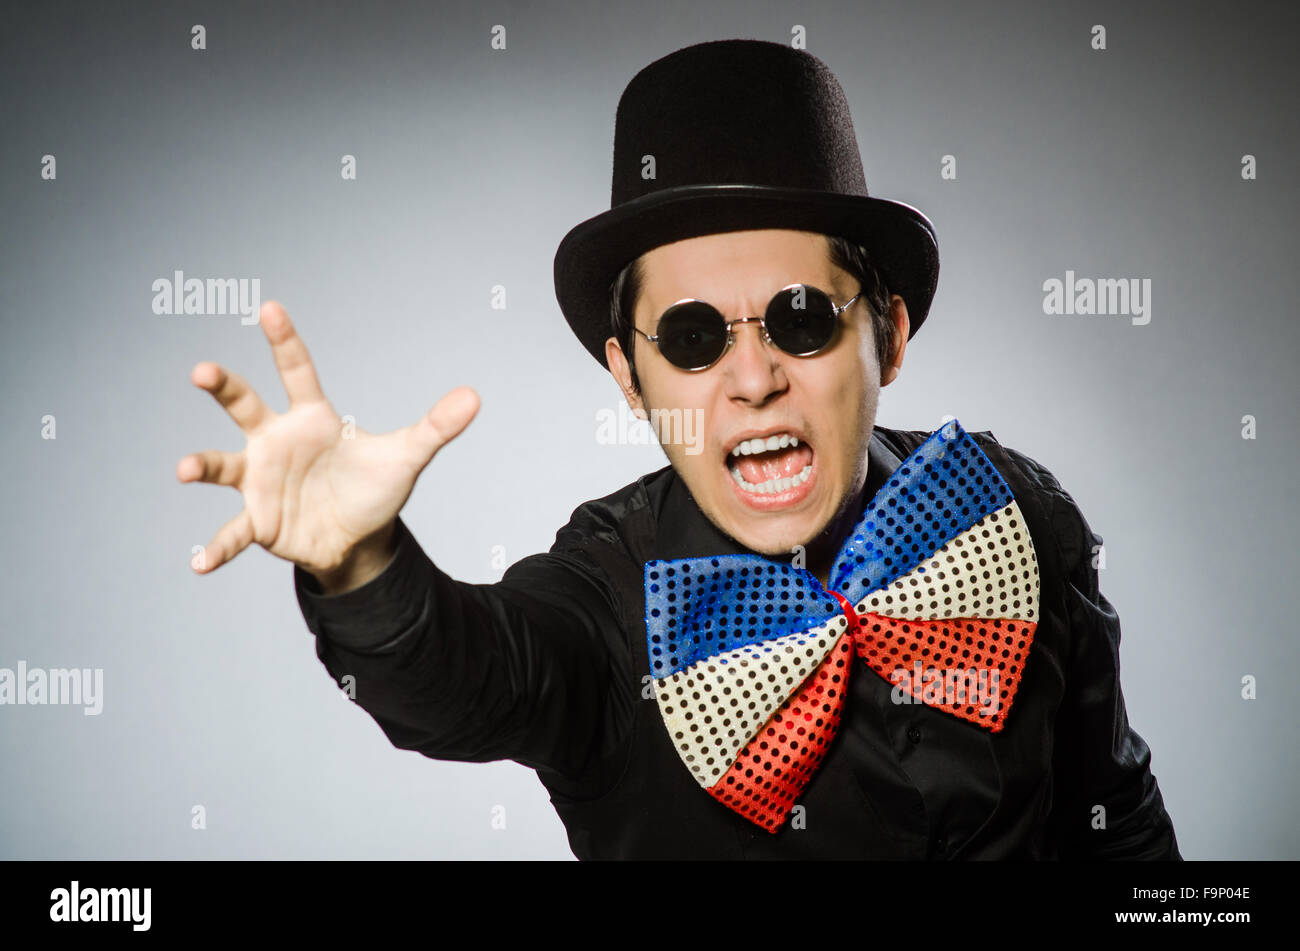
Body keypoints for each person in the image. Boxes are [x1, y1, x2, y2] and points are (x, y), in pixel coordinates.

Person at [177, 39, 1180, 859]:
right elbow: (468, 678)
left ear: (889, 335)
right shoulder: (608, 597)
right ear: (629, 376)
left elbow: (1119, 818)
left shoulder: (1010, 511)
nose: (751, 379)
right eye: (695, 338)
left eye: (799, 320)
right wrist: (360, 565)